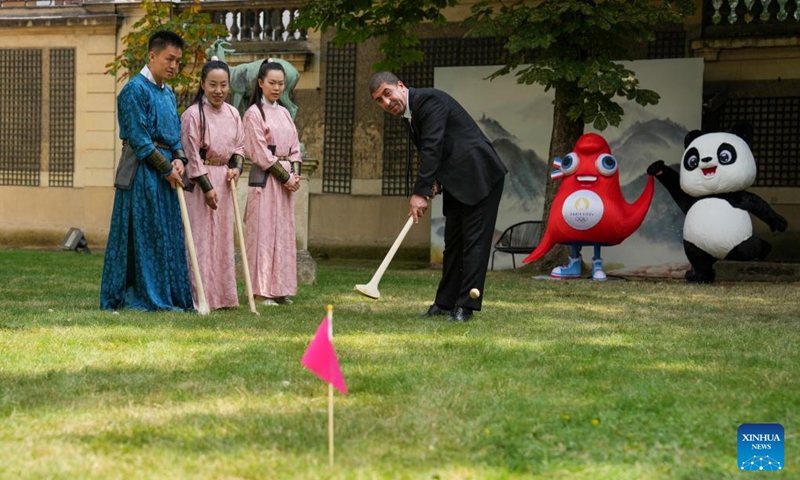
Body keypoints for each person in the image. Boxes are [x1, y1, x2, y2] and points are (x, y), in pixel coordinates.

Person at [368, 72, 508, 322]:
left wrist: (420, 192)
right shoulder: (410, 117)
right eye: (379, 101)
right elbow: (444, 150)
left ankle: (465, 306)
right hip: (457, 181)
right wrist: (434, 184)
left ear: (401, 85)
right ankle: (444, 303)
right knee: (453, 243)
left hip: (480, 175)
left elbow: (432, 146)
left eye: (387, 94)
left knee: (474, 243)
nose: (386, 103)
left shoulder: (430, 101)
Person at [100, 31, 193, 311]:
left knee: (166, 235)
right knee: (145, 235)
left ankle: (168, 294)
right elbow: (140, 141)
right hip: (142, 174)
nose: (174, 66)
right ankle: (140, 295)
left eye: (178, 61)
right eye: (169, 59)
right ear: (152, 56)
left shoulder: (168, 94)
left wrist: (180, 160)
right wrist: (166, 169)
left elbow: (175, 136)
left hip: (167, 174)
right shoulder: (133, 90)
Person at [180, 60, 245, 310]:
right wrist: (206, 187)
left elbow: (239, 147)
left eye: (223, 85)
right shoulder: (193, 115)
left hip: (225, 181)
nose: (218, 90)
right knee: (200, 238)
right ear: (203, 84)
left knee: (222, 239)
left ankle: (224, 296)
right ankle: (200, 296)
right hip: (200, 183)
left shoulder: (232, 113)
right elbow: (192, 153)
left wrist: (236, 169)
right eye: (213, 85)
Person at [243, 60, 302, 306]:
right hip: (266, 180)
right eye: (272, 83)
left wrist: (295, 174)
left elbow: (295, 147)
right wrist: (287, 177)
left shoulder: (286, 112)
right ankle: (260, 291)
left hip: (286, 182)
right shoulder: (254, 113)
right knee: (263, 234)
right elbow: (259, 152)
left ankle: (280, 289)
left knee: (283, 234)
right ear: (260, 83)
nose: (277, 88)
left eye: (281, 84)